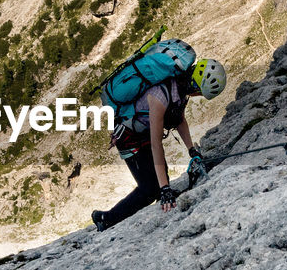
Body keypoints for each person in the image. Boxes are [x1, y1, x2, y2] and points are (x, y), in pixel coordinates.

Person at [92, 57, 227, 230]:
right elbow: (156, 144)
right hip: (128, 137)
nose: (198, 95)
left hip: (142, 132)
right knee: (149, 190)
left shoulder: (180, 89)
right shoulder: (160, 95)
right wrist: (164, 189)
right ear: (195, 85)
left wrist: (191, 150)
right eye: (200, 92)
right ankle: (105, 218)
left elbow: (180, 120)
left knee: (160, 177)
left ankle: (159, 195)